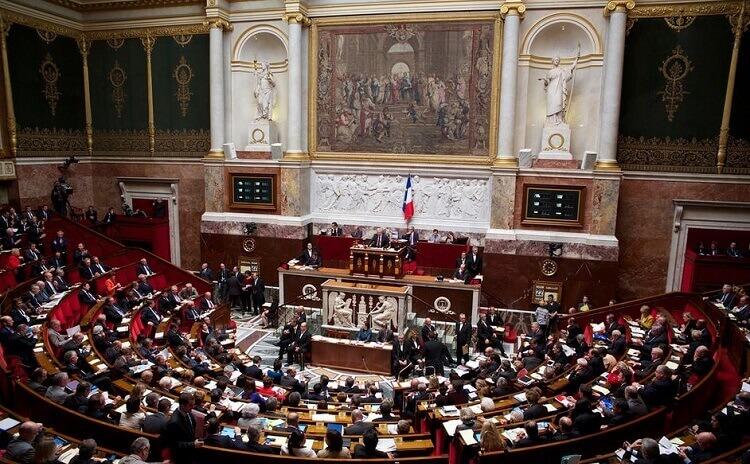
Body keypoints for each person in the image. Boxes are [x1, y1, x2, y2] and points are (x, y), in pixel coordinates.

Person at [161, 392, 203, 462]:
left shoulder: (188, 412)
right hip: (181, 457)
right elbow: (174, 444)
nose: (192, 408)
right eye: (190, 405)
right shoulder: (174, 422)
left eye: (193, 404)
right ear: (182, 405)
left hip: (190, 451)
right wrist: (193, 444)